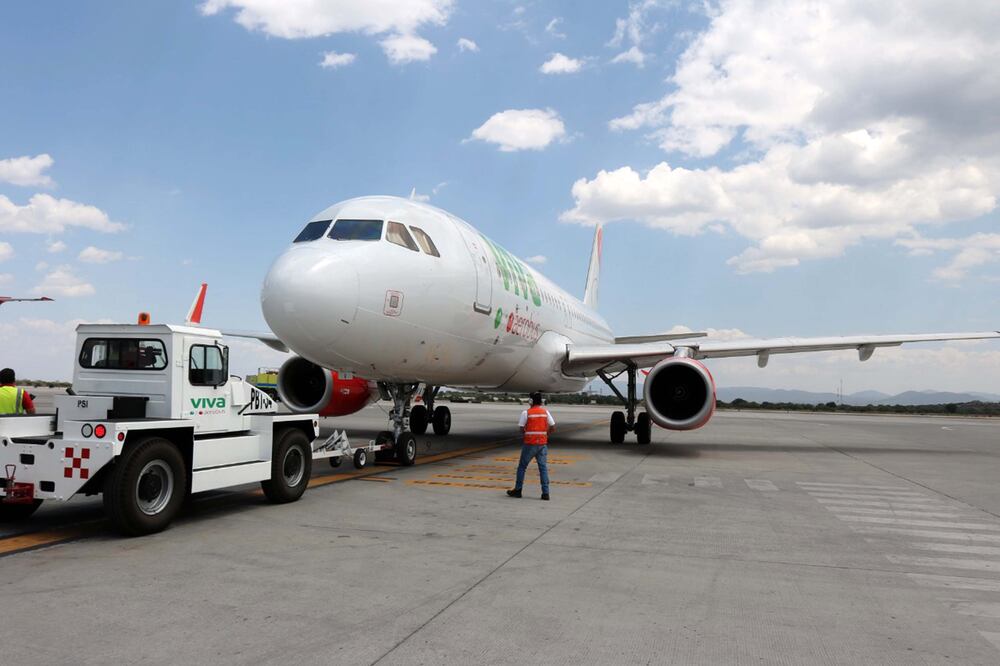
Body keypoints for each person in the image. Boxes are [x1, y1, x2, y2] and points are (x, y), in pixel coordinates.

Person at [507, 392, 555, 500]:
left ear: (531, 401)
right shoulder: (545, 412)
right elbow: (553, 427)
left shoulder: (526, 413)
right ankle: (545, 493)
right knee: (543, 468)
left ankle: (518, 490)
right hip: (542, 444)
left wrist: (528, 434)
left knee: (522, 467)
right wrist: (545, 434)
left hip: (530, 444)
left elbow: (521, 428)